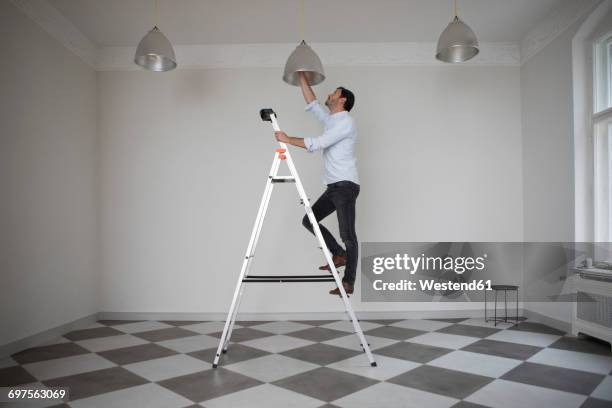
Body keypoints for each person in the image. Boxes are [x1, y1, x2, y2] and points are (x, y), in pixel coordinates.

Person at [274, 72, 360, 295]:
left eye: (334, 93)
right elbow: (313, 104)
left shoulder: (346, 122)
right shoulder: (332, 121)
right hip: (333, 187)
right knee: (308, 220)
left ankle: (348, 281)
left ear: (342, 100)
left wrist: (287, 139)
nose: (329, 94)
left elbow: (319, 143)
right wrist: (301, 75)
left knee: (347, 234)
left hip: (346, 186)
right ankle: (338, 254)